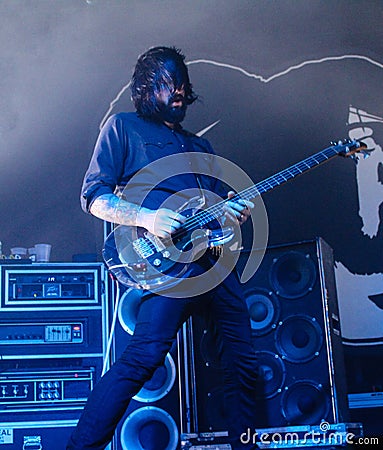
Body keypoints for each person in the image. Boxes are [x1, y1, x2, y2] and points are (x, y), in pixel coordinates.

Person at [67, 46, 258, 450]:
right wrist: (148, 217)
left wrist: (232, 214)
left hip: (215, 264)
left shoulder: (202, 148)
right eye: (168, 83)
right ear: (145, 87)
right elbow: (94, 196)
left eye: (183, 85)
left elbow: (216, 213)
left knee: (242, 366)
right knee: (143, 358)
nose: (178, 92)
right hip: (168, 266)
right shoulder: (123, 128)